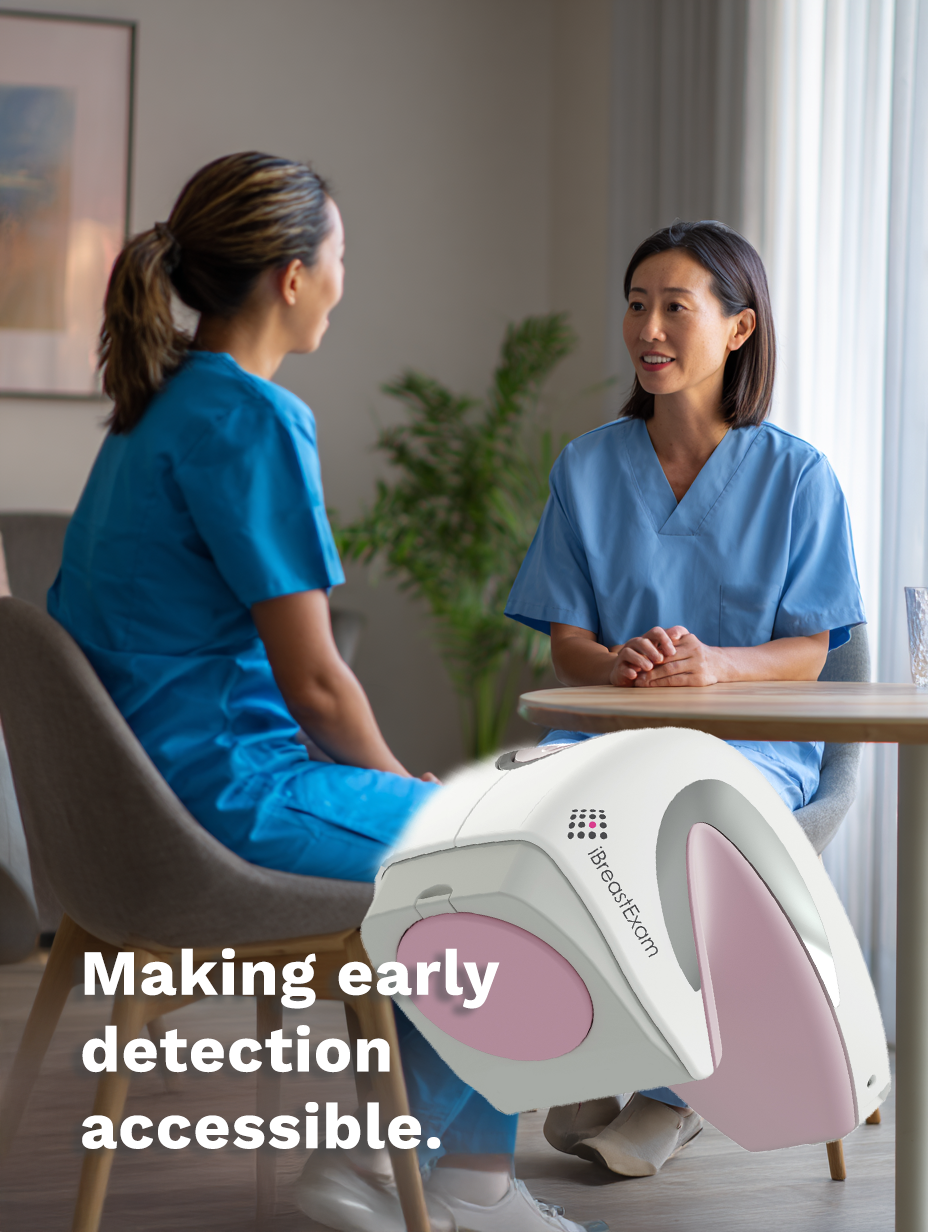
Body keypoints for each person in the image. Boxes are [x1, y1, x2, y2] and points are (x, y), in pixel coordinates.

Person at [48, 153, 601, 1232]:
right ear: (292, 278)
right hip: (221, 796)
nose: (349, 278)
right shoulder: (250, 419)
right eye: (342, 255)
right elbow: (313, 679)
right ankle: (444, 1178)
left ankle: (386, 1159)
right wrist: (409, 787)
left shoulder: (148, 417)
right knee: (517, 858)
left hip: (140, 809)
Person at [505, 219, 865, 1181]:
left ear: (739, 329)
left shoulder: (798, 476)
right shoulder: (585, 467)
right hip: (612, 730)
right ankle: (592, 1046)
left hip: (748, 742)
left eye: (675, 307)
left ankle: (670, 1092)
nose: (648, 328)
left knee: (677, 821)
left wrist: (714, 670)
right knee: (523, 812)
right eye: (635, 304)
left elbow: (812, 652)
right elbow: (567, 644)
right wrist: (619, 667)